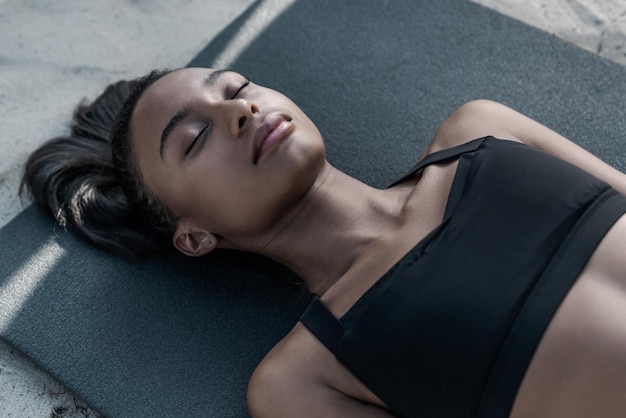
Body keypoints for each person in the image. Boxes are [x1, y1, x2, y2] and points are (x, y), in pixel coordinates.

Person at [21, 67, 626, 418]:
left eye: (235, 88)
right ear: (195, 236)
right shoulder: (300, 381)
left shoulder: (482, 128)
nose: (243, 111)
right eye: (195, 137)